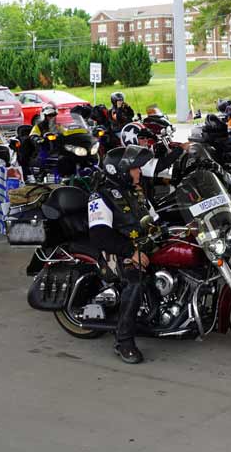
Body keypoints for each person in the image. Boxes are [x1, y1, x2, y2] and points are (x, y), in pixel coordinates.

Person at [88, 145, 157, 364]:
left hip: (142, 245)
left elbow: (154, 219)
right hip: (115, 251)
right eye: (135, 168)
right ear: (120, 171)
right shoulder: (100, 196)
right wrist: (131, 252)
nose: (139, 172)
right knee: (135, 280)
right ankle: (123, 340)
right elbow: (100, 236)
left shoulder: (136, 192)